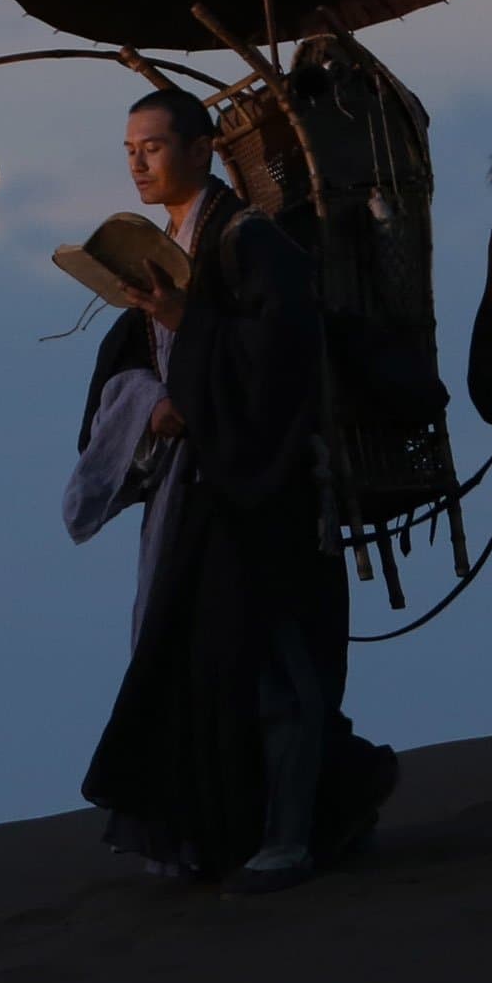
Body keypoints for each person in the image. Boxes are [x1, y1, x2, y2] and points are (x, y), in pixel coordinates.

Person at [72, 87, 396, 892]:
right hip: (199, 494)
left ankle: (294, 832)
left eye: (152, 145)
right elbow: (134, 361)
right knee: (205, 665)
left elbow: (284, 359)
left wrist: (191, 326)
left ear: (202, 147)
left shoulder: (255, 242)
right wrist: (149, 403)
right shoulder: (170, 246)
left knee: (278, 668)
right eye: (128, 150)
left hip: (265, 486)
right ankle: (226, 834)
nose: (138, 162)